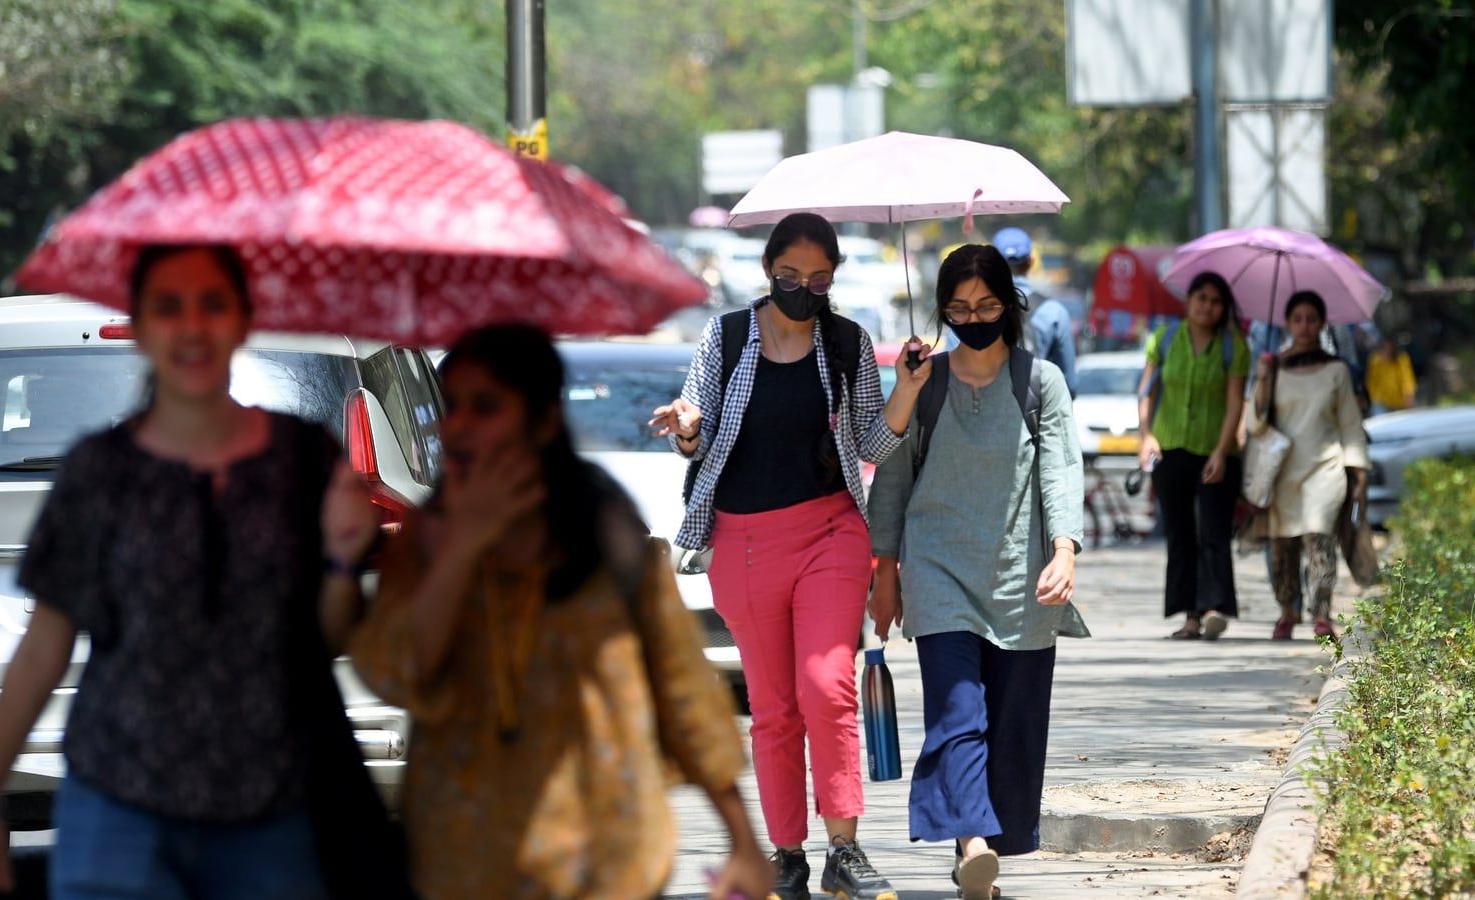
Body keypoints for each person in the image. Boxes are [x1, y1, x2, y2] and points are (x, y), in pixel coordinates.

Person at [0, 244, 396, 900]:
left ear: (244, 321)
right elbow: (43, 647)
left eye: (212, 305)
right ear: (139, 327)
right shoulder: (98, 471)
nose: (191, 327)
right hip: (119, 803)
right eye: (168, 308)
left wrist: (342, 557)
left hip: (272, 806)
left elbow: (329, 639)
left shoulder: (303, 458)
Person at [344, 324, 772, 900]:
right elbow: (386, 666)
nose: (462, 425)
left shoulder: (604, 525)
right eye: (455, 406)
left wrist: (741, 839)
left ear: (542, 420)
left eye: (486, 406)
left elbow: (679, 681)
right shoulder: (434, 529)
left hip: (601, 845)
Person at [649, 212, 927, 900]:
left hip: (831, 531)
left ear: (833, 277)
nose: (804, 288)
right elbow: (697, 429)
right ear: (768, 271)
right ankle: (788, 855)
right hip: (743, 543)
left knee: (827, 686)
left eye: (819, 278)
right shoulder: (729, 336)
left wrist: (909, 390)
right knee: (774, 708)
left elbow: (870, 443)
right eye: (790, 276)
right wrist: (686, 430)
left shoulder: (847, 341)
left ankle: (845, 848)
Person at [865, 243, 1083, 900]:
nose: (973, 316)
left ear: (1009, 307)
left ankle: (983, 847)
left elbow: (1060, 470)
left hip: (1021, 577)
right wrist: (885, 572)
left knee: (1013, 725)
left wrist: (1065, 549)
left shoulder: (1039, 381)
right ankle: (971, 845)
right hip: (937, 573)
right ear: (941, 311)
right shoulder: (920, 381)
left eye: (986, 305)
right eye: (958, 307)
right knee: (958, 713)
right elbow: (891, 479)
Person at [1247, 291, 1370, 640]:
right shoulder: (1273, 367)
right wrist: (1262, 379)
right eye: (1297, 318)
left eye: (1311, 319)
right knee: (1282, 547)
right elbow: (1255, 423)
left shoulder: (1337, 371)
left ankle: (1321, 614)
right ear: (1287, 323)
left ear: (1322, 323)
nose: (1304, 326)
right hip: (1282, 472)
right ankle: (1287, 610)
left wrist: (1359, 474)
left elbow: (1350, 424)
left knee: (1320, 541)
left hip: (1325, 470)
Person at [1136, 271, 1249, 640]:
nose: (1207, 306)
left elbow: (1235, 404)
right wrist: (1146, 436)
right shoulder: (1164, 338)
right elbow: (1146, 390)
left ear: (1223, 308)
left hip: (1217, 452)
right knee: (1179, 532)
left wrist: (1221, 450)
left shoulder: (1234, 346)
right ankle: (1189, 616)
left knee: (1214, 531)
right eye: (1201, 298)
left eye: (1215, 301)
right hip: (1170, 449)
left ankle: (1214, 607)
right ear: (1188, 301)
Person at [994, 227, 1077, 397]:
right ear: (1031, 262)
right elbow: (1068, 384)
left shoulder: (972, 310)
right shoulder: (1054, 311)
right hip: (1035, 413)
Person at [1364, 333, 1417, 413]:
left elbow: (1407, 377)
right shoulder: (1375, 360)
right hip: (1380, 401)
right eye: (1385, 348)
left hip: (1399, 401)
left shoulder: (1401, 358)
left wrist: (1409, 394)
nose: (1387, 350)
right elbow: (1371, 381)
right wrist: (1371, 399)